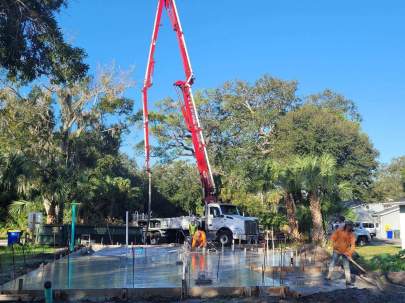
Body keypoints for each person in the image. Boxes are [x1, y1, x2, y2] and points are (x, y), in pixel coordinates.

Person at [326, 221, 356, 286]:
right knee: (333, 263)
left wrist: (349, 253)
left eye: (350, 226)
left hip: (345, 252)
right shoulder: (339, 231)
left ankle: (348, 281)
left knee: (346, 266)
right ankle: (328, 276)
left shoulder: (352, 235)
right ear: (346, 225)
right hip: (336, 251)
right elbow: (332, 238)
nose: (349, 227)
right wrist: (334, 246)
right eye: (348, 225)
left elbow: (353, 245)